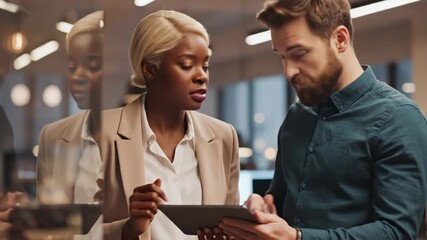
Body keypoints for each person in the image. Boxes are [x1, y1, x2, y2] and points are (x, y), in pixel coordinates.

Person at [218, 0, 427, 240]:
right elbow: (279, 199)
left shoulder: (399, 119)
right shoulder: (297, 117)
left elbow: (396, 232)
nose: (289, 71)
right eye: (282, 57)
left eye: (299, 53)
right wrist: (263, 205)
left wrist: (297, 237)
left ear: (340, 39)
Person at [99, 10, 240, 240]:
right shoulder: (101, 135)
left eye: (205, 66)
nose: (202, 76)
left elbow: (232, 230)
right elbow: (70, 233)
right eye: (187, 65)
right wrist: (128, 229)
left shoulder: (224, 137)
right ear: (150, 69)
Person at [0, 10, 104, 239]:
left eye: (93, 64)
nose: (78, 75)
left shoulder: (152, 135)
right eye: (71, 66)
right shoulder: (53, 136)